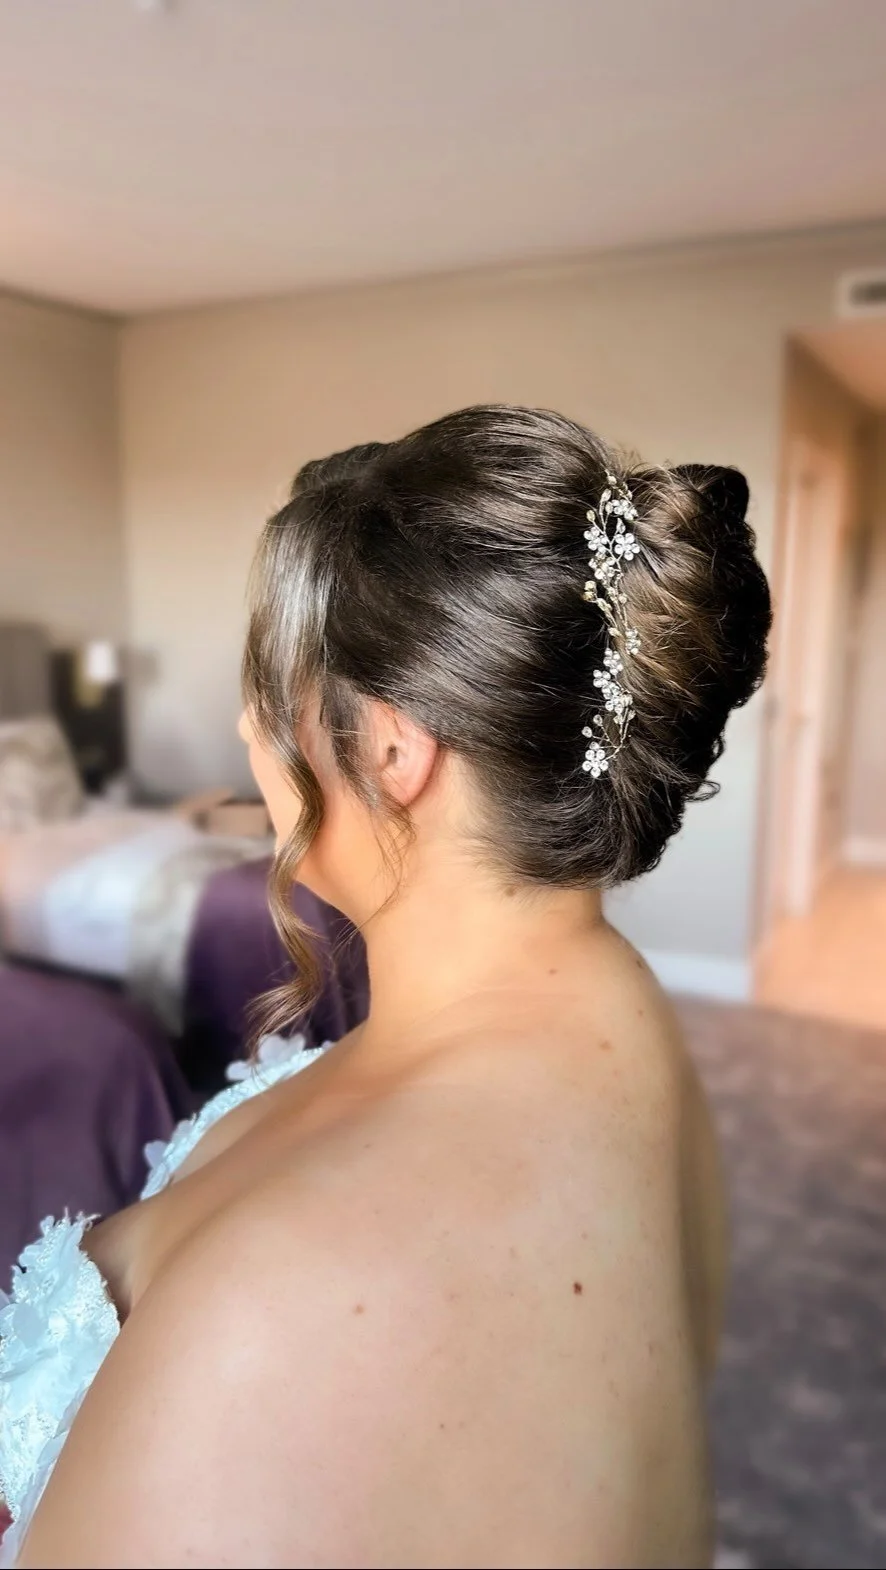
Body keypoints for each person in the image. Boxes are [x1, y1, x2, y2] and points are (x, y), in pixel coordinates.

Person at [2, 405, 771, 1568]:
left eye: (276, 686)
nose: (246, 724)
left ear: (397, 751)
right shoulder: (623, 1015)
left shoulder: (277, 1308)